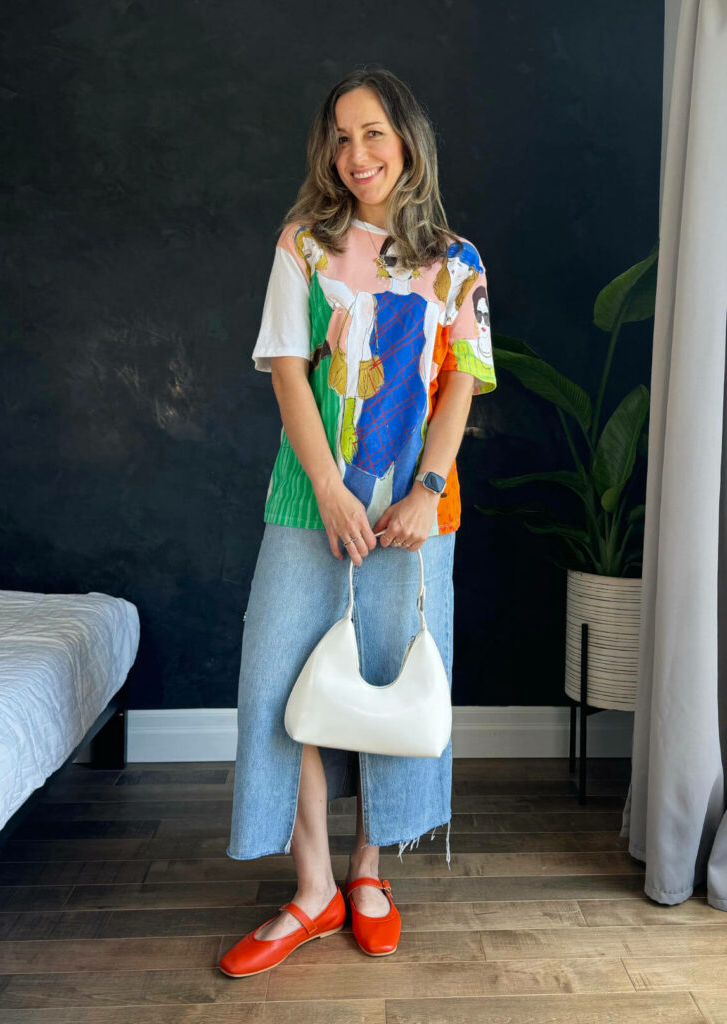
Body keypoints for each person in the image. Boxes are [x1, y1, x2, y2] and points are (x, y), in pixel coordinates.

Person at [218, 65, 497, 978]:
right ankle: (312, 889)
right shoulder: (302, 245)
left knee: (389, 675)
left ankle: (371, 874)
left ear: (406, 140)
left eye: (372, 133)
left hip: (417, 514)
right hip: (310, 499)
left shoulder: (458, 261)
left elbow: (460, 384)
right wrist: (333, 491)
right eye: (340, 137)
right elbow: (290, 372)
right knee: (277, 683)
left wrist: (424, 487)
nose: (355, 154)